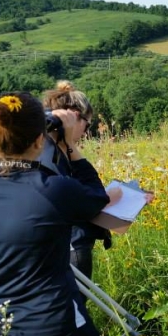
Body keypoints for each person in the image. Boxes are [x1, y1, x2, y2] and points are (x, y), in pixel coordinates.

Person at [0, 92, 110, 336]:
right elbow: (97, 197)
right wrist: (69, 144)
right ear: (40, 139)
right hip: (49, 326)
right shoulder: (53, 189)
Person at [40, 80, 112, 280]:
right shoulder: (53, 154)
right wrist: (70, 142)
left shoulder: (40, 149)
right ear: (73, 117)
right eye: (87, 124)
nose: (86, 132)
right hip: (70, 247)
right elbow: (94, 197)